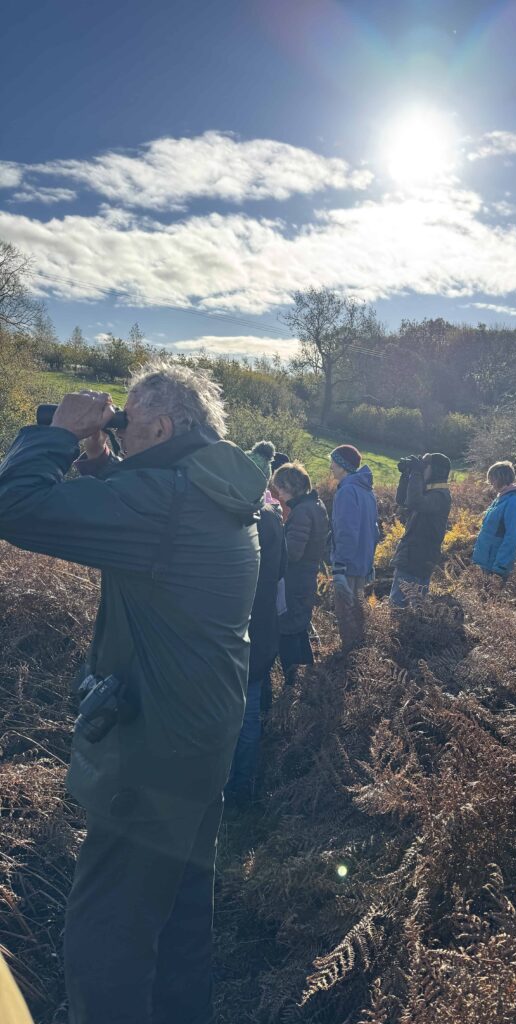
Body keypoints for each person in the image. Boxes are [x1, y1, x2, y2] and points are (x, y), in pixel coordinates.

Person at [0, 364, 270, 1024]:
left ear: (162, 425)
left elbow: (15, 507)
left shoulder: (167, 503)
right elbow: (146, 520)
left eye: (127, 420)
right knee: (178, 916)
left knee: (105, 934)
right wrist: (104, 460)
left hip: (151, 758)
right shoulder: (216, 490)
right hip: (201, 742)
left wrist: (60, 434)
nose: (118, 428)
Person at [226, 442, 287, 810]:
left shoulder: (233, 521)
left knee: (228, 714)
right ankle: (243, 787)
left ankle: (222, 786)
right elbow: (279, 574)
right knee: (249, 714)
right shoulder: (274, 521)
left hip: (234, 628)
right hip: (264, 627)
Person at [271, 462, 329, 681]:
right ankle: (308, 675)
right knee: (299, 626)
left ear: (290, 487)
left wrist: (276, 542)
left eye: (281, 489)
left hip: (295, 580)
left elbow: (293, 553)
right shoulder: (316, 505)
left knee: (288, 630)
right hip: (307, 577)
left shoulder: (302, 512)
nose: (280, 495)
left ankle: (291, 681)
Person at [329, 444, 379, 649]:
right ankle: (362, 656)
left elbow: (346, 531)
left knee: (346, 614)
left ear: (342, 466)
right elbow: (374, 531)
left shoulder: (347, 491)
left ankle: (349, 661)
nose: (330, 467)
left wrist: (339, 565)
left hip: (348, 565)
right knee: (359, 613)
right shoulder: (366, 491)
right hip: (362, 563)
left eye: (333, 462)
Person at [390, 452, 452, 607]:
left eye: (425, 466)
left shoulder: (440, 496)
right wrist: (406, 475)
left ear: (436, 470)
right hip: (412, 556)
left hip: (418, 559)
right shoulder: (431, 492)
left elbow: (415, 502)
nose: (422, 468)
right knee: (406, 606)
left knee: (401, 607)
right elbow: (402, 500)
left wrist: (417, 472)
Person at [471, 461, 516, 577]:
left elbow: (512, 536)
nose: (491, 483)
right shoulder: (500, 498)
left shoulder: (514, 501)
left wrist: (500, 566)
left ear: (499, 478)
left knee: (494, 594)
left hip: (496, 563)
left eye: (492, 479)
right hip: (487, 560)